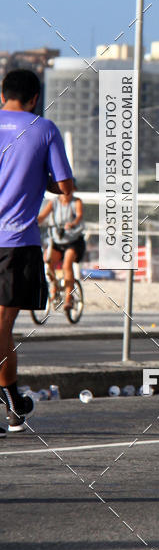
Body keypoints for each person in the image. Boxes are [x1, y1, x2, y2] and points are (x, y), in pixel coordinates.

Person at [0, 70, 72, 434]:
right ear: (33, 99)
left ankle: (13, 403)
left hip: (14, 243)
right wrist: (35, 175)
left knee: (2, 329)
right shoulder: (43, 129)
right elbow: (65, 187)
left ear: (2, 95)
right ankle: (12, 402)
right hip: (15, 242)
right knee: (1, 326)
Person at [37, 189, 85, 311]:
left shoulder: (76, 202)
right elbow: (42, 216)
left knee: (66, 265)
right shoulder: (54, 202)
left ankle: (68, 298)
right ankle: (54, 287)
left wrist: (72, 224)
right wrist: (33, 222)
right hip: (57, 240)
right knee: (47, 261)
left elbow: (79, 216)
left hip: (73, 241)